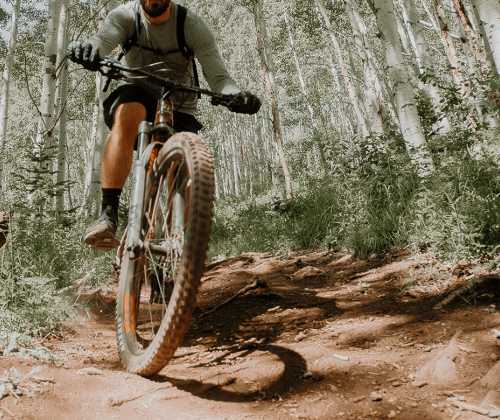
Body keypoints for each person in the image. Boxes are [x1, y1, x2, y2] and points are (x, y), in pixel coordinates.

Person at [68, 0, 261, 250]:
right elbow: (103, 39)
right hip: (136, 88)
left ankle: (182, 242)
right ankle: (108, 214)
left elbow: (219, 77)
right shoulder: (126, 16)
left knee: (185, 163)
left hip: (179, 102)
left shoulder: (191, 25)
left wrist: (236, 94)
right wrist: (89, 49)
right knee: (129, 113)